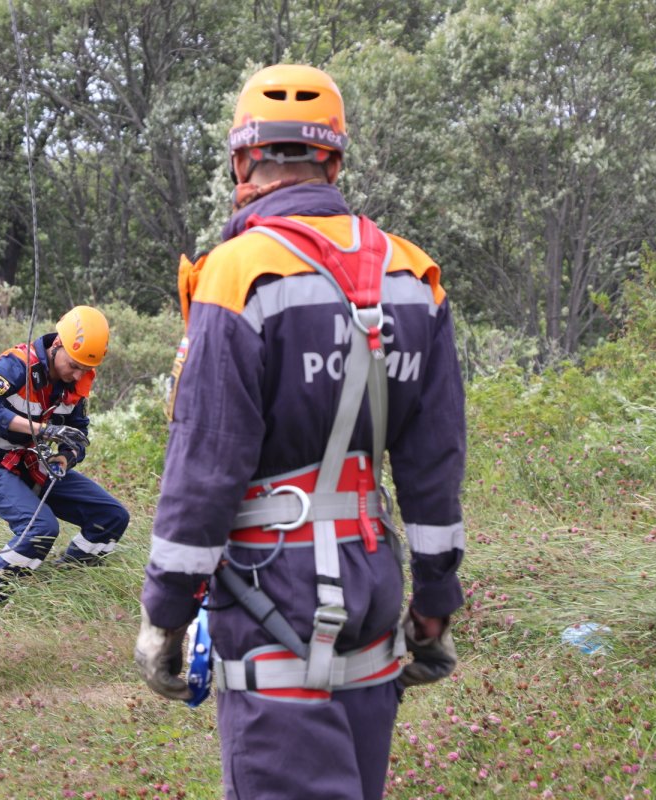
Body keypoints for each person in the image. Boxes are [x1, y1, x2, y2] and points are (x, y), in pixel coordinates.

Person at [134, 64, 466, 800]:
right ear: (334, 160)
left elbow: (205, 468)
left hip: (270, 593)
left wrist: (164, 613)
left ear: (243, 160)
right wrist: (436, 600)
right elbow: (434, 465)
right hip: (374, 585)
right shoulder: (415, 277)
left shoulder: (238, 274)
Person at [0, 306, 131, 615]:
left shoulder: (76, 384)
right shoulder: (15, 365)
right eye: (74, 366)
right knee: (41, 527)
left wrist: (65, 458)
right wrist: (43, 430)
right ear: (57, 345)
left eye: (84, 370)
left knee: (112, 516)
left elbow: (80, 434)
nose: (77, 375)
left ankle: (62, 580)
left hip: (35, 465)